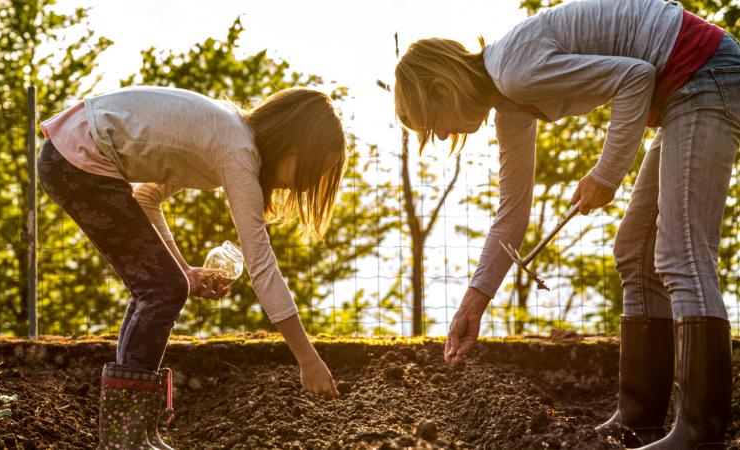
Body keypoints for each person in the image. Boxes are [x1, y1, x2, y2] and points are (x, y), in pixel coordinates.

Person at [393, 0, 737, 447]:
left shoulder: (514, 70)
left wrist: (605, 175)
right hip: (683, 89)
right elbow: (511, 213)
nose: (439, 137)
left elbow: (635, 77)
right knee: (635, 249)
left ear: (442, 87)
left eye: (430, 125)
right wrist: (472, 305)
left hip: (705, 70)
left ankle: (698, 432)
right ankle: (640, 419)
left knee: (682, 252)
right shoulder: (510, 103)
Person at [38, 86, 345, 449]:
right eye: (309, 173)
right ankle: (125, 438)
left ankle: (133, 432)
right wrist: (308, 359)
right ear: (291, 144)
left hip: (74, 154)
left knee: (163, 286)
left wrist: (183, 270)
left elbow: (147, 196)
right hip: (79, 159)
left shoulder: (222, 133)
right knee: (161, 289)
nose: (305, 187)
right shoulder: (238, 149)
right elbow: (261, 265)